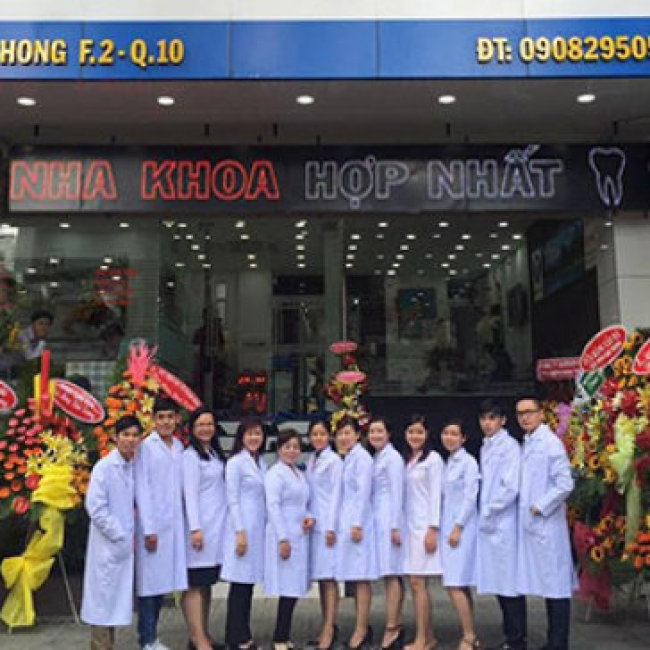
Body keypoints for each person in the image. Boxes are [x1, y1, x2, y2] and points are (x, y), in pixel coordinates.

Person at [515, 394, 575, 650]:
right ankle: (553, 641)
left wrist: (540, 506)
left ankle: (558, 643)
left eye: (529, 412)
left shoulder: (550, 443)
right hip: (533, 526)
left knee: (556, 587)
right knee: (548, 586)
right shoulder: (528, 442)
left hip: (548, 525)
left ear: (541, 413)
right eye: (520, 413)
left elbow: (565, 483)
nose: (525, 417)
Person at [81, 415, 142, 650]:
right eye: (125, 435)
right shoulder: (104, 468)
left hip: (122, 549)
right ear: (115, 438)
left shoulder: (132, 466)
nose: (130, 439)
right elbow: (95, 508)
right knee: (101, 607)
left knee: (113, 607)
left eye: (135, 435)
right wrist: (120, 533)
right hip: (107, 547)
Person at [135, 396, 188, 650]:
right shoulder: (146, 447)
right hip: (153, 527)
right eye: (161, 417)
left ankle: (153, 637)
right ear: (153, 420)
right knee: (150, 586)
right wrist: (149, 528)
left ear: (177, 419)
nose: (166, 422)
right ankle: (147, 639)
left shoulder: (179, 446)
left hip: (174, 525)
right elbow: (142, 489)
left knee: (163, 584)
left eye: (170, 417)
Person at [475, 400, 524, 650]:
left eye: (492, 418)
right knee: (499, 583)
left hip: (504, 522)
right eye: (483, 418)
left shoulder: (510, 447)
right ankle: (511, 636)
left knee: (509, 585)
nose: (487, 423)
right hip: (491, 522)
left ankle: (517, 639)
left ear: (503, 421)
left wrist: (490, 510)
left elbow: (510, 487)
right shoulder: (487, 446)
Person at [182, 406, 228, 650]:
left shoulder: (214, 453)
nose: (206, 429)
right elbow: (189, 495)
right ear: (192, 429)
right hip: (200, 529)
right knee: (195, 585)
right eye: (200, 425)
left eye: (209, 424)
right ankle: (197, 638)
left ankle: (203, 634)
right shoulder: (190, 457)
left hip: (215, 528)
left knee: (206, 584)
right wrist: (195, 528)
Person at [264, 428, 314, 650]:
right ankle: (279, 638)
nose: (292, 451)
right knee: (287, 589)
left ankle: (284, 634)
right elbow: (273, 507)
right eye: (287, 447)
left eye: (295, 447)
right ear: (278, 449)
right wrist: (282, 538)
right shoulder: (275, 474)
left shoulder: (298, 473)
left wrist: (309, 517)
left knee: (293, 588)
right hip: (283, 533)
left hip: (299, 533)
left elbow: (304, 502)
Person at [222, 416, 268, 650]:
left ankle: (243, 633)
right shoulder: (235, 463)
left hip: (256, 529)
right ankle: (236, 637)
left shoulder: (261, 462)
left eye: (258, 433)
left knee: (247, 585)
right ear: (241, 437)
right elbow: (232, 499)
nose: (254, 438)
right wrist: (239, 532)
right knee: (239, 585)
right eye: (249, 434)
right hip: (241, 528)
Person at [334, 416, 377, 649]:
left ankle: (362, 629)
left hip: (358, 523)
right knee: (354, 575)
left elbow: (363, 492)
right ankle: (361, 626)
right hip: (348, 522)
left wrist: (358, 523)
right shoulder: (348, 457)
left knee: (361, 577)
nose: (343, 437)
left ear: (357, 435)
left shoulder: (362, 458)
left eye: (348, 433)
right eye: (340, 434)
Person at [403, 414, 443, 650]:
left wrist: (433, 528)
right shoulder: (410, 459)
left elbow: (436, 495)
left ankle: (422, 639)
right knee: (416, 583)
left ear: (427, 434)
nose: (415, 436)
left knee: (418, 583)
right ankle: (428, 636)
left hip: (425, 528)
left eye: (419, 432)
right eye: (411, 432)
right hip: (411, 527)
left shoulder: (433, 460)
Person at [439, 419, 480, 650]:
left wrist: (458, 526)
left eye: (454, 434)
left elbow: (470, 497)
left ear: (463, 438)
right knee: (459, 584)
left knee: (455, 584)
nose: (449, 437)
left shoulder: (468, 462)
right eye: (446, 433)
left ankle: (469, 636)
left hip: (461, 528)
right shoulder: (448, 462)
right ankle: (471, 634)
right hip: (449, 527)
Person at [367, 417, 406, 650]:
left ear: (389, 434)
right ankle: (394, 623)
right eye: (372, 431)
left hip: (390, 522)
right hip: (379, 521)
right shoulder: (377, 457)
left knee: (392, 574)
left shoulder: (393, 458)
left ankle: (393, 626)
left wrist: (395, 526)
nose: (375, 435)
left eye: (380, 431)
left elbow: (397, 493)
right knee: (389, 575)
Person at [305, 419, 342, 650]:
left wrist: (331, 526)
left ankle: (329, 628)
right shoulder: (312, 459)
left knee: (329, 578)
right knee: (322, 577)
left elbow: (336, 494)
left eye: (322, 434)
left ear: (329, 436)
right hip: (315, 524)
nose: (318, 438)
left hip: (328, 526)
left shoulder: (334, 461)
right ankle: (325, 625)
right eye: (314, 434)